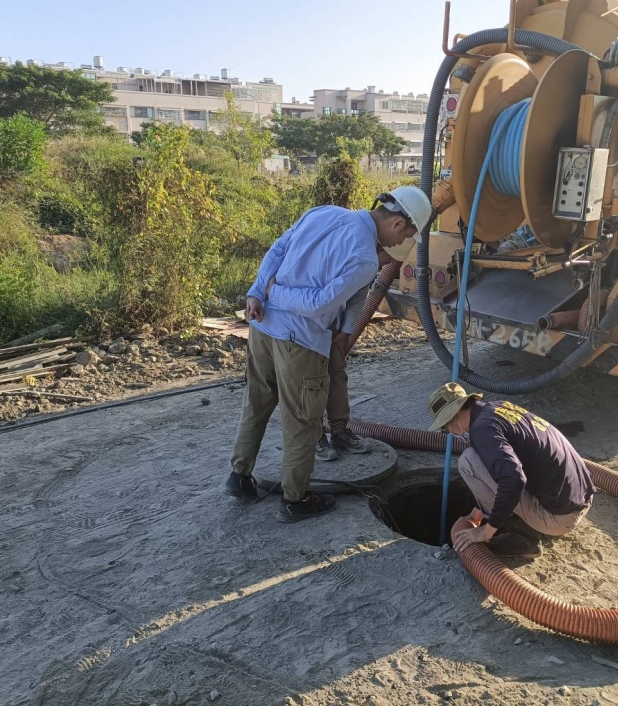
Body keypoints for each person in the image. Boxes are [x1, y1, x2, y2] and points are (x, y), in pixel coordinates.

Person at [224, 187, 432, 523]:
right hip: (299, 342)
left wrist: (258, 292)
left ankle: (240, 477)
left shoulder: (324, 212)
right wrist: (275, 291)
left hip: (262, 328)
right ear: (396, 223)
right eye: (408, 233)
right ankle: (295, 500)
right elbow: (318, 304)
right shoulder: (365, 258)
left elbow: (278, 249)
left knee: (257, 403)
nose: (402, 241)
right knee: (302, 421)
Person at [427, 383, 595, 557]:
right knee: (482, 459)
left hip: (560, 517)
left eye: (445, 428)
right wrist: (476, 513)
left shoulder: (482, 429)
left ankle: (524, 537)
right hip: (578, 499)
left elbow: (514, 478)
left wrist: (487, 530)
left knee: (468, 461)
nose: (448, 432)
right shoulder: (497, 408)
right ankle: (504, 519)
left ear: (453, 417)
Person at [315, 247, 395, 462]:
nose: (385, 265)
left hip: (333, 324)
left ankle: (339, 431)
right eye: (386, 258)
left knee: (337, 375)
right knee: (313, 380)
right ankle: (314, 436)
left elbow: (358, 298)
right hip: (309, 324)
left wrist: (345, 331)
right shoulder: (341, 256)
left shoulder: (366, 267)